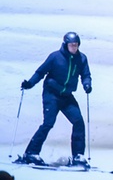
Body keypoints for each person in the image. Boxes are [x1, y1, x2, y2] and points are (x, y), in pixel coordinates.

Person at [18, 32, 92, 167]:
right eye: (71, 45)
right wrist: (30, 83)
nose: (74, 48)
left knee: (78, 122)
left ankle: (78, 156)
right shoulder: (55, 57)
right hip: (51, 94)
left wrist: (87, 84)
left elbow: (86, 75)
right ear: (65, 45)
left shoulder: (81, 59)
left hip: (67, 96)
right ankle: (31, 153)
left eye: (76, 45)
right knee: (48, 123)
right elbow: (40, 72)